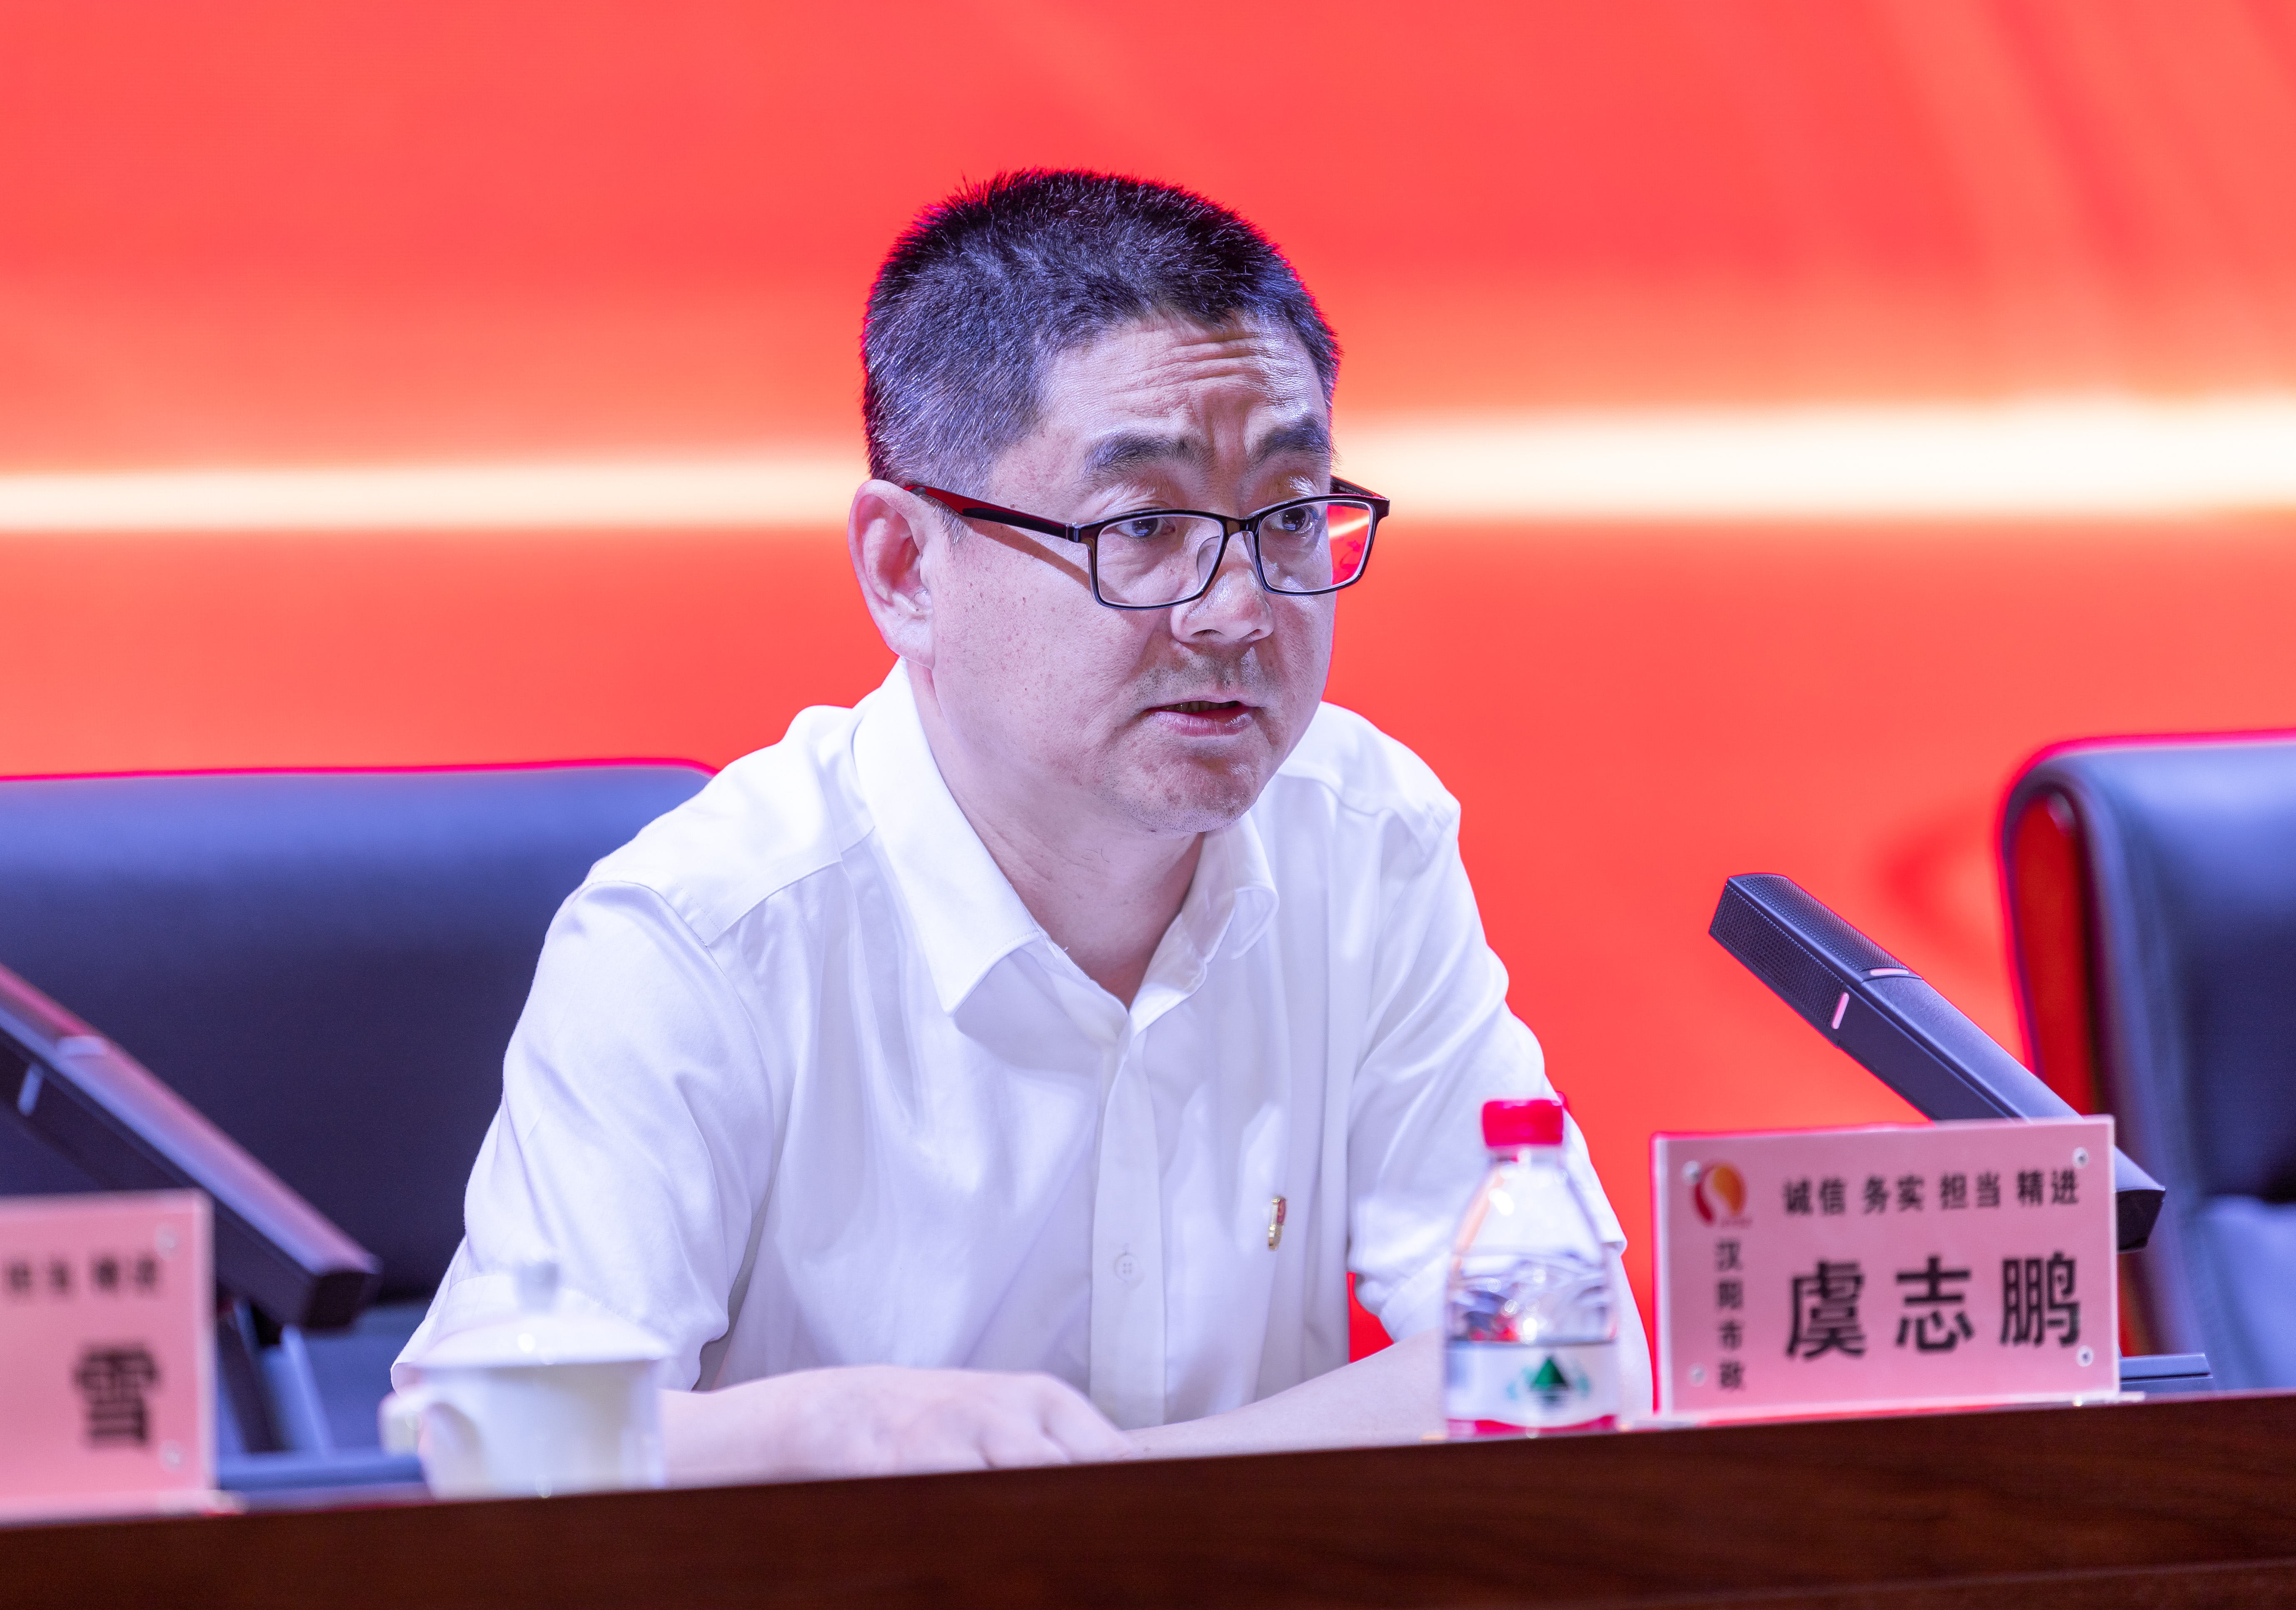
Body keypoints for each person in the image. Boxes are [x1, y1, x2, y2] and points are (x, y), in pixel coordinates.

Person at [399, 169, 1648, 1480]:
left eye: (1288, 516)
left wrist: (1092, 1515)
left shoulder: (1363, 839)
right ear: (906, 568)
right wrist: (832, 1428)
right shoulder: (704, 933)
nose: (1237, 610)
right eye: (1146, 526)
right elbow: (477, 1449)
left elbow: (1581, 1361)